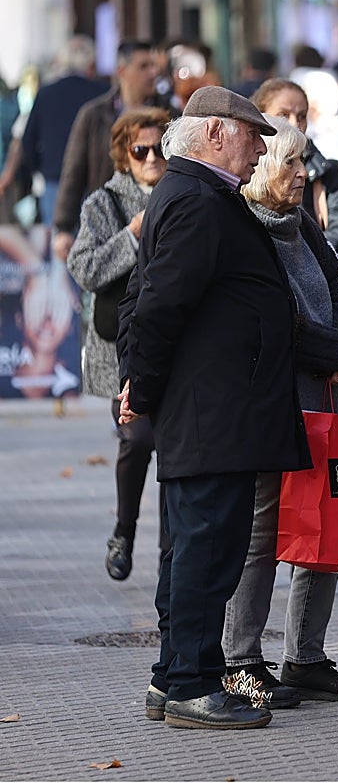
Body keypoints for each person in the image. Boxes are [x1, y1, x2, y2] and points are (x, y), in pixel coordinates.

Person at [117, 86, 310, 730]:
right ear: (216, 133)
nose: (260, 150)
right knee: (206, 550)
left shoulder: (196, 194)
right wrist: (140, 389)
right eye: (253, 136)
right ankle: (193, 684)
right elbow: (156, 305)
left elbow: (150, 298)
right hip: (213, 410)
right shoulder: (198, 199)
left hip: (217, 408)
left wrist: (140, 382)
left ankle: (172, 676)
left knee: (196, 548)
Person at [222, 116, 338, 709]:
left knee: (324, 520)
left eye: (304, 160)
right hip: (271, 401)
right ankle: (241, 662)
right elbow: (272, 318)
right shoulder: (243, 227)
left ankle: (305, 657)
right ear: (259, 166)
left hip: (326, 393)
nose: (303, 172)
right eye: (290, 161)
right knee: (260, 533)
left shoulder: (301, 222)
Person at [66, 107, 171, 580]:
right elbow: (83, 268)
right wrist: (131, 237)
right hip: (118, 352)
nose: (151, 158)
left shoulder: (185, 195)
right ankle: (124, 530)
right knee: (139, 437)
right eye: (140, 150)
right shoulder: (103, 204)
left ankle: (172, 551)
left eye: (159, 148)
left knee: (175, 449)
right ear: (123, 155)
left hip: (176, 347)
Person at [53, 39, 171, 260]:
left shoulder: (170, 114)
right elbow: (74, 171)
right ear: (121, 71)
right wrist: (63, 227)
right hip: (107, 223)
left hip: (158, 225)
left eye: (154, 66)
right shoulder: (94, 114)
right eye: (144, 66)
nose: (153, 73)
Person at [250, 79, 338, 265]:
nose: (295, 124)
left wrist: (298, 255)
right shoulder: (244, 172)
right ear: (259, 117)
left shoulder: (330, 173)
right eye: (283, 115)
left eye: (302, 116)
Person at [0, 36, 107, 229]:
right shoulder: (103, 93)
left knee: (59, 239)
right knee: (97, 238)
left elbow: (27, 141)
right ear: (91, 63)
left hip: (54, 180)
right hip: (95, 181)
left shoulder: (46, 94)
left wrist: (40, 169)